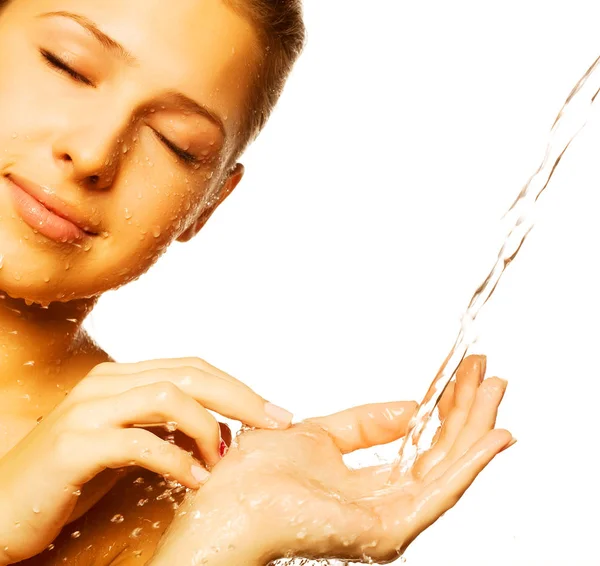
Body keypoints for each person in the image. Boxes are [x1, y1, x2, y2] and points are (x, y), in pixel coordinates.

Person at [0, 0, 514, 564]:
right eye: (67, 64)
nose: (94, 153)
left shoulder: (158, 483)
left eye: (175, 142)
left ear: (205, 206)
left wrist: (219, 542)